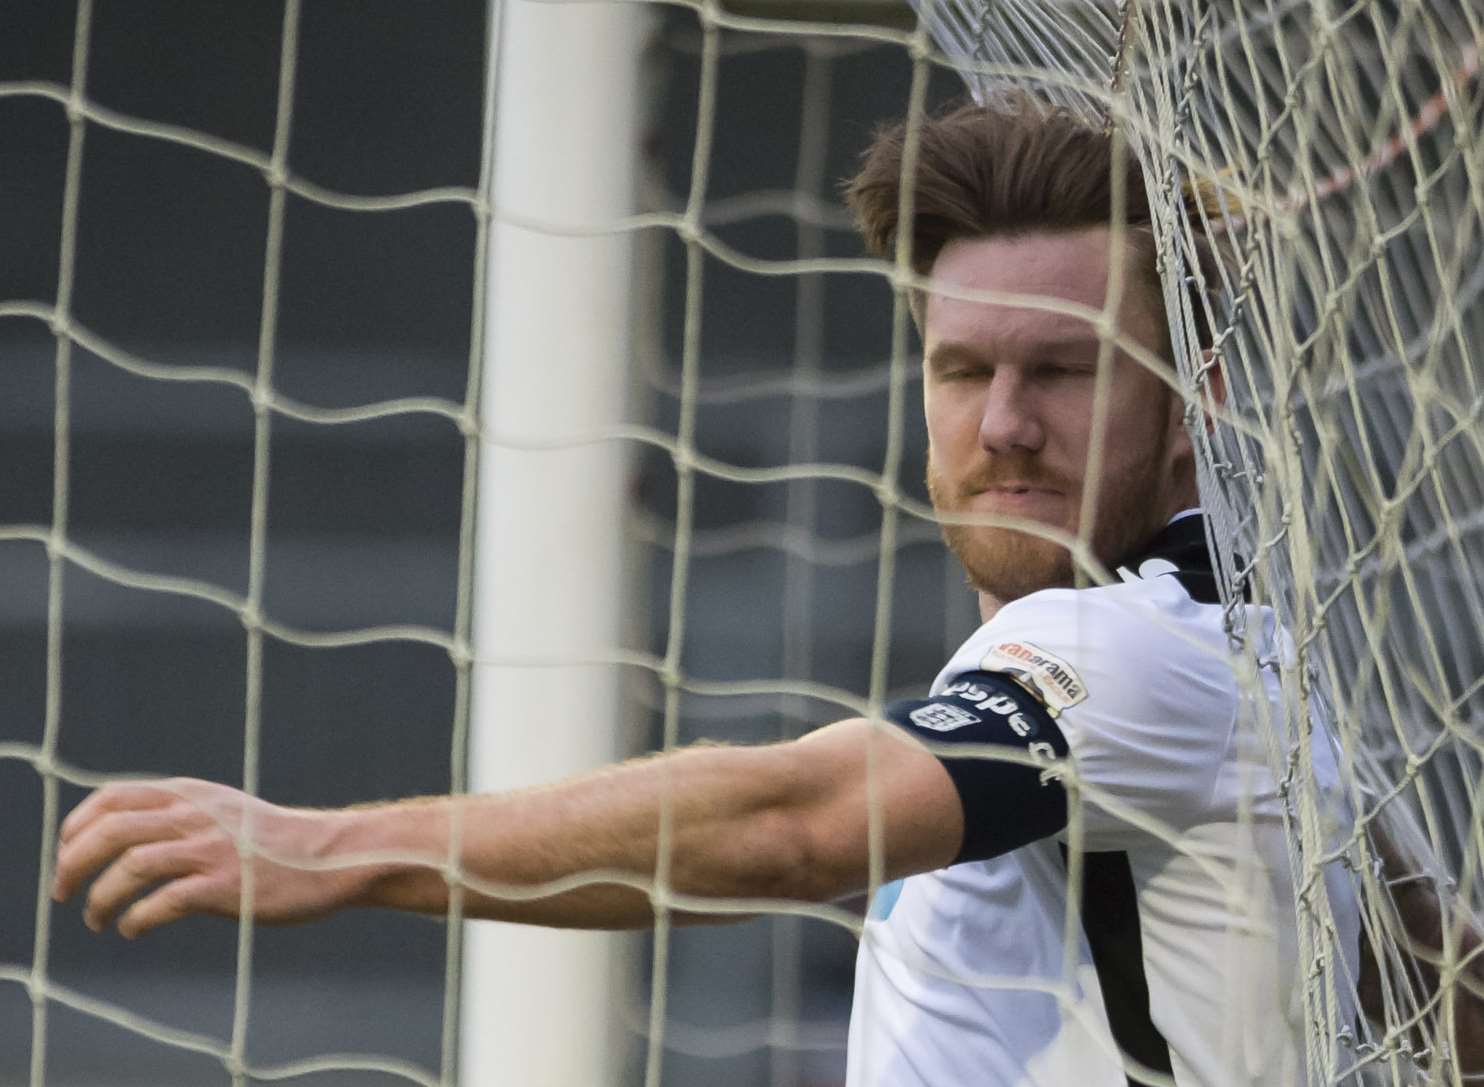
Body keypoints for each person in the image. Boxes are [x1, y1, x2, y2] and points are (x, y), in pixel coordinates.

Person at [50, 93, 1479, 1085]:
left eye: (1063, 370)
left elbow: (802, 823)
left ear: (1193, 403)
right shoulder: (1261, 673)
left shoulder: (1127, 649)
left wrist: (335, 846)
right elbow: (1438, 978)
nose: (1003, 429)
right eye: (963, 371)